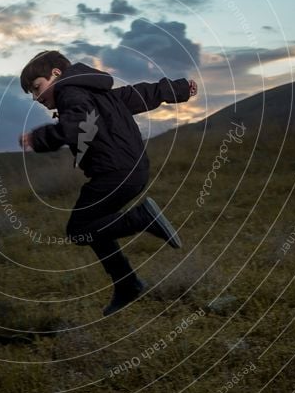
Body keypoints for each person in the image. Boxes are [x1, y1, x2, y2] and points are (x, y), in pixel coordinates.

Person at [19, 50, 198, 316]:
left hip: (113, 171)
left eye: (37, 88)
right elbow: (137, 95)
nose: (37, 98)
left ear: (56, 74)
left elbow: (76, 126)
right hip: (133, 169)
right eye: (32, 94)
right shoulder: (96, 92)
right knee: (94, 227)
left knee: (79, 228)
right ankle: (127, 285)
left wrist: (39, 138)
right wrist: (178, 89)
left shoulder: (70, 93)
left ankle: (142, 219)